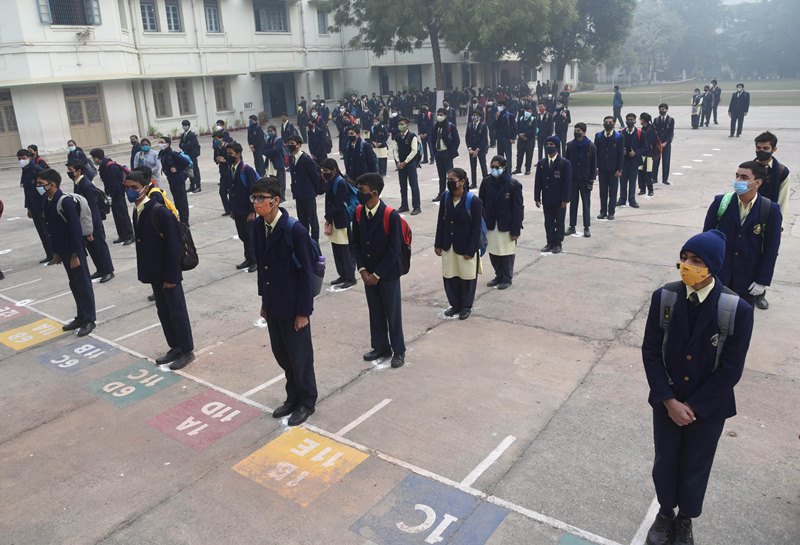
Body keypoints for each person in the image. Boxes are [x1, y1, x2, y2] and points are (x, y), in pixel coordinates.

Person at [641, 229, 754, 545]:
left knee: (696, 464)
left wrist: (693, 406)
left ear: (712, 267)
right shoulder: (665, 297)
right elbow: (651, 351)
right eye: (684, 258)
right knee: (666, 460)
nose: (686, 265)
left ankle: (685, 520)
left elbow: (731, 370)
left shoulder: (736, 310)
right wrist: (668, 400)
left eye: (696, 261)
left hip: (708, 408)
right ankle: (665, 512)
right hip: (668, 403)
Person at [252, 177, 318, 426]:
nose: (257, 203)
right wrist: (264, 301)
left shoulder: (295, 230)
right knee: (283, 355)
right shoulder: (259, 227)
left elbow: (306, 275)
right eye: (255, 198)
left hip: (293, 308)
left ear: (275, 201)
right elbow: (262, 267)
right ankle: (292, 398)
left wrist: (303, 312)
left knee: (300, 357)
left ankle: (306, 402)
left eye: (261, 198)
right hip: (274, 304)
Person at [123, 170, 194, 370]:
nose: (130, 192)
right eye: (127, 188)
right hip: (154, 272)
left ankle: (186, 350)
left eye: (134, 188)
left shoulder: (159, 211)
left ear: (146, 188)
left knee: (177, 311)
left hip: (168, 273)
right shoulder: (137, 210)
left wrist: (172, 275)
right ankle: (175, 346)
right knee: (163, 311)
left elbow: (175, 247)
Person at [702, 161, 781, 308]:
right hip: (719, 275)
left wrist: (762, 280)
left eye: (744, 177)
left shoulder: (770, 210)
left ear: (757, 182)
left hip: (748, 279)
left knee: (740, 323)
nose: (738, 181)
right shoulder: (721, 202)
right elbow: (705, 239)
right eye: (737, 176)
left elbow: (772, 248)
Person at [351, 173, 406, 369]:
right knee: (375, 311)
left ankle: (398, 350)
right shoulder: (358, 212)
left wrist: (377, 274)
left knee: (392, 312)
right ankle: (381, 346)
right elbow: (355, 243)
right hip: (368, 273)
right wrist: (363, 270)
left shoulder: (390, 215)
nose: (359, 193)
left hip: (387, 274)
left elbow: (394, 250)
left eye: (362, 190)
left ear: (374, 193)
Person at [37, 169, 96, 337]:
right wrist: (55, 253)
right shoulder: (48, 200)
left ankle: (89, 319)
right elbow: (52, 230)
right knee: (74, 284)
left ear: (52, 184)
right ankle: (80, 316)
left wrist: (76, 255)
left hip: (74, 253)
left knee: (83, 284)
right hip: (63, 251)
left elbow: (76, 230)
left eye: (41, 184)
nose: (38, 187)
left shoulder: (65, 202)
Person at [434, 168, 482, 320]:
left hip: (465, 247)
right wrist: (438, 243)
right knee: (450, 276)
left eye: (452, 180)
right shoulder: (445, 197)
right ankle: (455, 304)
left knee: (466, 277)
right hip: (449, 245)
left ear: (462, 182)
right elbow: (441, 221)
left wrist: (471, 249)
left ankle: (466, 306)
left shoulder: (473, 201)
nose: (449, 183)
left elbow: (476, 228)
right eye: (448, 179)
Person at [752, 131, 790, 310]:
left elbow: (783, 200)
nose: (762, 151)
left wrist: (778, 225)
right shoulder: (749, 167)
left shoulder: (781, 171)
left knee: (766, 255)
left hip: (769, 219)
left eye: (766, 148)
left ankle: (760, 293)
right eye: (759, 148)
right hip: (750, 217)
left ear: (774, 149)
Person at [479, 156, 523, 289]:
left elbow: (518, 209)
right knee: (493, 251)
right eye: (492, 167)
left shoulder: (513, 184)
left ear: (504, 168)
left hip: (506, 225)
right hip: (491, 223)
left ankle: (507, 277)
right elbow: (481, 204)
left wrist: (516, 230)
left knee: (506, 252)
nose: (494, 170)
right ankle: (498, 275)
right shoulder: (486, 182)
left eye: (497, 167)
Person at [67, 161, 115, 283]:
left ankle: (108, 270)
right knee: (92, 248)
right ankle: (100, 269)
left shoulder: (86, 185)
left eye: (71, 170)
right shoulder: (78, 183)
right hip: (85, 222)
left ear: (78, 171)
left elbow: (93, 209)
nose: (69, 173)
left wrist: (90, 228)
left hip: (93, 223)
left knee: (99, 246)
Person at [322, 159, 357, 290]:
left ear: (334, 170)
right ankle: (342, 274)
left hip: (341, 220)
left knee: (345, 250)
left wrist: (329, 217)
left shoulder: (340, 182)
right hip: (333, 219)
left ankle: (350, 277)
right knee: (336, 249)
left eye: (326, 171)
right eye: (323, 170)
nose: (324, 173)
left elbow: (337, 204)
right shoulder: (330, 180)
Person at [534, 136, 572, 254]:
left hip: (560, 199)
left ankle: (558, 243)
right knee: (548, 221)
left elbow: (567, 183)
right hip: (547, 198)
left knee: (559, 221)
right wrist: (537, 197)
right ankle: (550, 241)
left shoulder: (564, 163)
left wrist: (565, 199)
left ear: (557, 146)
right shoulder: (542, 163)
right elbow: (538, 182)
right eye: (547, 144)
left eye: (552, 144)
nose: (549, 146)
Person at [90, 148, 135, 245]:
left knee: (123, 215)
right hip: (113, 196)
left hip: (118, 196)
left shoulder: (110, 167)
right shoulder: (105, 165)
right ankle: (122, 235)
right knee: (117, 216)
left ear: (97, 158)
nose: (93, 161)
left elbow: (116, 184)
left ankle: (129, 235)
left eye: (93, 158)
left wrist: (112, 196)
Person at [226, 142, 258, 273]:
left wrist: (252, 211)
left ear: (238, 154)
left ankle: (255, 260)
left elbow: (253, 192)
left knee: (251, 236)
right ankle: (248, 258)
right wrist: (231, 209)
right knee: (243, 236)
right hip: (237, 209)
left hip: (247, 210)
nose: (228, 156)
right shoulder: (230, 168)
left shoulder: (247, 170)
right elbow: (231, 190)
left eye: (230, 154)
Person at [18, 149, 53, 264]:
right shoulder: (25, 170)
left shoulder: (36, 170)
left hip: (42, 206)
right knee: (41, 232)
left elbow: (46, 189)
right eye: (19, 159)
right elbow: (27, 191)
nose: (21, 161)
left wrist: (45, 207)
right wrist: (28, 207)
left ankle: (55, 254)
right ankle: (49, 254)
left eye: (23, 158)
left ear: (29, 158)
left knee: (48, 231)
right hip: (33, 207)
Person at [564, 123, 597, 238]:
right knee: (573, 203)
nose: (576, 132)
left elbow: (594, 165)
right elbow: (566, 163)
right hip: (573, 179)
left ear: (584, 132)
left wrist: (591, 180)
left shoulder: (590, 146)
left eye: (579, 130)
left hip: (585, 179)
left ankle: (586, 227)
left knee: (586, 203)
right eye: (575, 130)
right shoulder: (570, 145)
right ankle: (572, 226)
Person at [287, 135, 321, 241]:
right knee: (302, 220)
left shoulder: (307, 160)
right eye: (289, 143)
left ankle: (315, 241)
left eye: (292, 143)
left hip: (308, 194)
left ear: (299, 145)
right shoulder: (291, 158)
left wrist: (314, 191)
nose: (290, 145)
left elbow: (315, 177)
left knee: (312, 219)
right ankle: (305, 240)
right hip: (298, 194)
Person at [595, 116, 624, 221]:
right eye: (606, 122)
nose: (608, 124)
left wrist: (619, 169)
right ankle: (603, 211)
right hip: (602, 168)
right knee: (602, 191)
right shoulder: (598, 136)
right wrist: (596, 167)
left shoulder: (619, 137)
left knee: (613, 191)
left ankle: (611, 212)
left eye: (610, 122)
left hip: (613, 169)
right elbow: (596, 153)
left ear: (614, 123)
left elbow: (621, 154)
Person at [158, 136, 190, 225]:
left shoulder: (172, 154)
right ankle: (179, 217)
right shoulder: (162, 153)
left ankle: (185, 220)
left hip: (178, 179)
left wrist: (177, 169)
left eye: (162, 142)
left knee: (182, 200)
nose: (160, 144)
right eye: (159, 142)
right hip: (171, 179)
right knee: (176, 200)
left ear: (167, 144)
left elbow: (185, 162)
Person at [393, 118, 421, 215]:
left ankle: (417, 206)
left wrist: (405, 162)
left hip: (410, 164)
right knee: (403, 186)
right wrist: (398, 161)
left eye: (402, 124)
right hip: (401, 165)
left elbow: (414, 151)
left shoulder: (412, 136)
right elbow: (395, 150)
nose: (400, 126)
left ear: (407, 125)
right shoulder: (397, 137)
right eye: (399, 124)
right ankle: (404, 205)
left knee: (414, 186)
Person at [432, 108, 461, 202]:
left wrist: (451, 153)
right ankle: (441, 193)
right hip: (438, 153)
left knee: (450, 175)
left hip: (447, 153)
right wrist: (434, 152)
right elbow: (432, 139)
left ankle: (452, 193)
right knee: (441, 175)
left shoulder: (450, 126)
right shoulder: (436, 126)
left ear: (445, 116)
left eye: (441, 115)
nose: (439, 117)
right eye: (438, 114)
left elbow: (456, 141)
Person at [618, 113, 646, 209]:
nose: (629, 121)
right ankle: (622, 198)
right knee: (622, 181)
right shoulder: (621, 133)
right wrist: (622, 151)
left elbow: (644, 148)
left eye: (631, 120)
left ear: (635, 121)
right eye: (628, 120)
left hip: (634, 161)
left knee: (632, 181)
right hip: (623, 161)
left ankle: (632, 199)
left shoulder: (640, 133)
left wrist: (636, 152)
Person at [637, 113, 659, 197]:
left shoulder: (651, 130)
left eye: (640, 119)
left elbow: (649, 142)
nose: (640, 121)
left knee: (648, 172)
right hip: (642, 154)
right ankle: (642, 188)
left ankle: (650, 189)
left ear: (643, 120)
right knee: (640, 172)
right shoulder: (643, 129)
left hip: (649, 154)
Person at [264, 125, 288, 199]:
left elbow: (277, 150)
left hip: (278, 163)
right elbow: (264, 150)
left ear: (275, 131)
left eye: (271, 131)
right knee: (273, 181)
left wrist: (269, 151)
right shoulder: (268, 140)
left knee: (280, 181)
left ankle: (282, 196)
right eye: (268, 131)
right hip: (270, 163)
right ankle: (276, 196)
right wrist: (270, 151)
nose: (269, 132)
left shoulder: (279, 140)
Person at [466, 111, 489, 189]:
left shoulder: (483, 126)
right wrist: (470, 149)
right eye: (473, 115)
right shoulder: (469, 125)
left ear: (479, 117)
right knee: (473, 167)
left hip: (481, 150)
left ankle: (486, 183)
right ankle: (474, 183)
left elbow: (484, 139)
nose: (474, 117)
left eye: (476, 115)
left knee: (483, 166)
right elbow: (467, 138)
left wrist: (477, 150)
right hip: (472, 150)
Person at [212, 131, 233, 216]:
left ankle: (233, 209)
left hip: (229, 172)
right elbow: (215, 158)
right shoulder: (217, 148)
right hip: (222, 173)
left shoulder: (228, 147)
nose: (215, 141)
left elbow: (233, 159)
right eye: (214, 140)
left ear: (221, 138)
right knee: (222, 192)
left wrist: (225, 160)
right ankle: (227, 209)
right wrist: (217, 159)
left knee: (232, 192)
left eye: (216, 139)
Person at [653, 104, 674, 186]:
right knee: (655, 161)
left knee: (666, 161)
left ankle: (665, 179)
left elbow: (671, 133)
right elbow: (655, 132)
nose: (662, 111)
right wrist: (658, 143)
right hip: (657, 144)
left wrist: (666, 143)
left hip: (666, 144)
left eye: (663, 109)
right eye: (660, 109)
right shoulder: (656, 120)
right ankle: (654, 178)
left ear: (667, 110)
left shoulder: (670, 120)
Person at [513, 105, 536, 176]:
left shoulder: (533, 119)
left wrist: (526, 135)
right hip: (521, 140)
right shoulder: (520, 118)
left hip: (529, 140)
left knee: (529, 155)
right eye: (526, 111)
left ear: (531, 112)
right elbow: (517, 128)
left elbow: (533, 131)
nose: (527, 112)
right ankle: (518, 169)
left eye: (529, 111)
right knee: (519, 154)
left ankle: (527, 169)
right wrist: (519, 134)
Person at [179, 120, 202, 193]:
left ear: (189, 126)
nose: (184, 126)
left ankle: (198, 186)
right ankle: (192, 186)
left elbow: (191, 145)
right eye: (183, 125)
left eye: (186, 125)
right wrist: (184, 146)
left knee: (195, 170)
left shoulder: (192, 135)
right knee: (189, 171)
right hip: (186, 155)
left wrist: (184, 146)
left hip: (192, 155)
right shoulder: (183, 135)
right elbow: (180, 145)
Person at [494, 101, 515, 168]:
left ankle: (508, 172)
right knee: (500, 157)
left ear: (504, 106)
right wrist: (496, 118)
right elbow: (494, 126)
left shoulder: (509, 115)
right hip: (499, 139)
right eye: (498, 105)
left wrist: (513, 137)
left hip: (507, 139)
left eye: (501, 105)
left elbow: (514, 127)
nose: (499, 107)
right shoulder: (497, 115)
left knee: (508, 157)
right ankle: (501, 170)